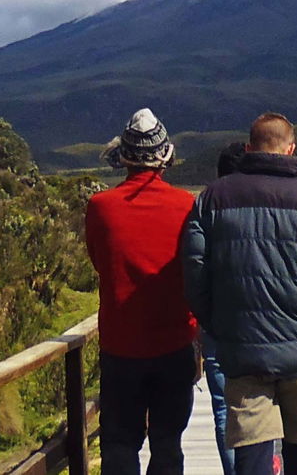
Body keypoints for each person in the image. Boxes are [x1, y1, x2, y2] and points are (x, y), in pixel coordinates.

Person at [182, 113, 297, 475]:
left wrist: (219, 326)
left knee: (251, 449)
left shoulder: (211, 199)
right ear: (292, 149)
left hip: (242, 351)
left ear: (248, 148)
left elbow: (195, 274)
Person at [85, 108, 197, 475]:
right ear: (165, 157)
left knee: (119, 442)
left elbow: (100, 262)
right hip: (174, 344)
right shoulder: (186, 205)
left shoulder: (100, 208)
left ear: (125, 159)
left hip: (121, 347)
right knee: (167, 443)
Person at [202, 141, 247, 475]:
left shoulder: (205, 206)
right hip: (270, 323)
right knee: (268, 404)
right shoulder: (272, 201)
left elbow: (193, 267)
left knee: (223, 407)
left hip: (217, 321)